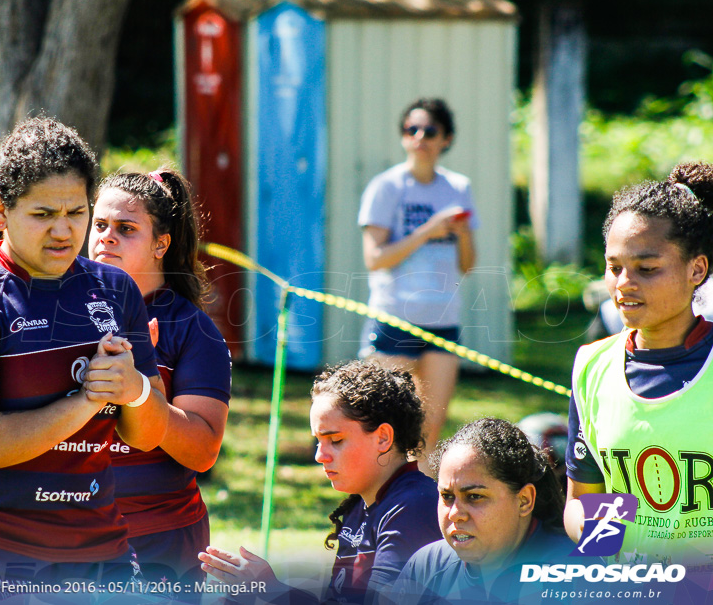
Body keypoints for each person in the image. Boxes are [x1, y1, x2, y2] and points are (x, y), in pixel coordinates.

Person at [0, 115, 168, 597]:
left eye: (76, 212)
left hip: (98, 556)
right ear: (1, 209)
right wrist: (86, 401)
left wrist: (134, 390)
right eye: (43, 214)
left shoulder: (115, 290)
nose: (63, 231)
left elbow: (149, 435)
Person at [89, 168, 232, 596]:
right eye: (99, 225)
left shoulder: (192, 328)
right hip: (69, 529)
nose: (106, 238)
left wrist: (143, 390)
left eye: (125, 228)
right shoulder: (61, 310)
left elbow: (203, 450)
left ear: (160, 244)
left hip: (159, 540)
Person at [565, 161, 713, 568]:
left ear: (695, 270)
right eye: (614, 268)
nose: (624, 283)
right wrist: (611, 549)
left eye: (646, 269)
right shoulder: (591, 366)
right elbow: (582, 498)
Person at [199, 361, 440, 605]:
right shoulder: (361, 506)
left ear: (383, 438)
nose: (319, 456)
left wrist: (272, 590)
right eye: (318, 441)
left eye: (335, 440)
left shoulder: (414, 508)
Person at [357, 98, 477, 461]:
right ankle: (377, 507)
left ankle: (418, 510)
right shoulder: (386, 187)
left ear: (447, 139)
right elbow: (375, 259)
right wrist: (428, 230)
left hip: (443, 318)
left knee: (428, 432)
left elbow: (468, 264)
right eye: (412, 130)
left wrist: (461, 232)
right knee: (384, 426)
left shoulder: (458, 186)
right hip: (396, 316)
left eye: (430, 131)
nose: (420, 137)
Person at [391, 417, 580, 605]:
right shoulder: (427, 568)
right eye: (447, 496)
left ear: (524, 500)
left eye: (474, 496)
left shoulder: (575, 575)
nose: (455, 514)